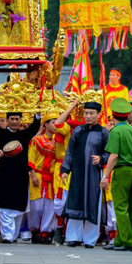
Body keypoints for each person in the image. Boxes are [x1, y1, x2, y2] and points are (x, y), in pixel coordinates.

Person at [60, 102, 109, 248]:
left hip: (94, 174)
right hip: (77, 173)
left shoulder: (103, 133)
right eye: (86, 113)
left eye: (91, 113)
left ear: (98, 115)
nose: (88, 116)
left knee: (92, 203)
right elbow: (70, 152)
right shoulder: (78, 131)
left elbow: (110, 153)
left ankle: (89, 240)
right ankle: (73, 237)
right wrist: (65, 170)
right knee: (75, 202)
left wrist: (101, 158)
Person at [0, 112, 41, 243]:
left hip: (20, 175)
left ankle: (12, 235)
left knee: (19, 208)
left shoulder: (24, 135)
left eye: (17, 119)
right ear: (7, 120)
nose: (14, 121)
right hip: (4, 174)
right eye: (11, 119)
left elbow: (34, 127)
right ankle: (7, 236)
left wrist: (37, 116)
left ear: (20, 120)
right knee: (4, 206)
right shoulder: (1, 133)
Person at [101, 98, 132, 251]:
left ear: (112, 115)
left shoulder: (116, 131)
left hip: (122, 170)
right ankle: (119, 240)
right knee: (130, 207)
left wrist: (105, 176)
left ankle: (129, 242)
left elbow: (113, 156)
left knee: (120, 207)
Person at [28, 113, 58, 244]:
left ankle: (45, 232)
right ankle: (34, 231)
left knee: (50, 206)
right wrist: (33, 175)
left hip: (52, 177)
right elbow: (31, 159)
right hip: (38, 175)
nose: (55, 124)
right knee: (36, 206)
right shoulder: (37, 140)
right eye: (53, 122)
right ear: (45, 124)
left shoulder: (59, 142)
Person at [52, 100, 79, 244]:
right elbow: (57, 123)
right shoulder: (68, 127)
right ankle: (59, 227)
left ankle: (73, 233)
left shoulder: (89, 127)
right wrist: (72, 106)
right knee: (60, 201)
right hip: (63, 167)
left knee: (76, 201)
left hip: (80, 168)